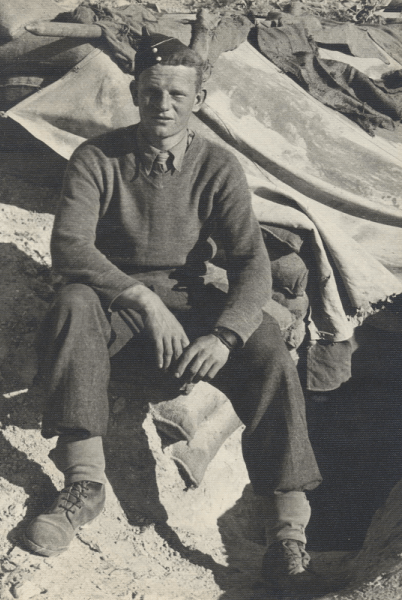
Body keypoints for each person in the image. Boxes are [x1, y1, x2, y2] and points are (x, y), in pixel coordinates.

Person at [24, 32, 332, 596]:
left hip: (190, 307)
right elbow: (70, 246)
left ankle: (287, 535)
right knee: (72, 301)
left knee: (266, 345)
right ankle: (83, 485)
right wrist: (139, 298)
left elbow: (250, 262)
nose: (163, 106)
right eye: (152, 93)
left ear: (199, 100)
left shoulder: (217, 165)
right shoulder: (97, 158)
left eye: (178, 95)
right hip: (115, 307)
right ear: (135, 93)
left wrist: (226, 335)